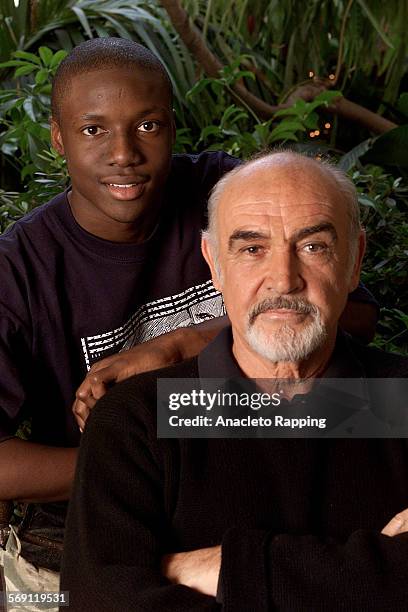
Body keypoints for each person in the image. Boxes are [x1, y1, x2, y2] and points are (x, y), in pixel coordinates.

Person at [0, 37, 376, 588]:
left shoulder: (222, 194)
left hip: (260, 491)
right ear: (59, 138)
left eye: (147, 126)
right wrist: (135, 462)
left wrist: (176, 345)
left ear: (172, 126)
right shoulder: (20, 269)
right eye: (92, 130)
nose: (124, 152)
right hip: (101, 523)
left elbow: (354, 313)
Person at [61, 152, 408, 611]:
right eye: (252, 249)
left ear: (354, 261)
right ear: (214, 263)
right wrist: (372, 574)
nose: (283, 280)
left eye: (313, 247)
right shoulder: (135, 420)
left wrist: (227, 571)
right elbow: (96, 601)